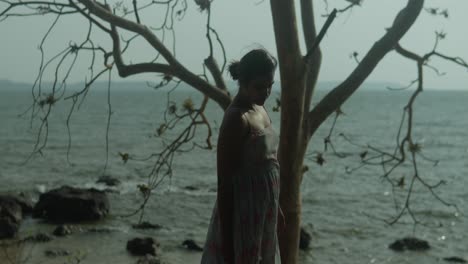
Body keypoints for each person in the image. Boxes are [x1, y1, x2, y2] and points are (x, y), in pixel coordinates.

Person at [201, 49, 282, 264]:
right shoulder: (237, 118)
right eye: (259, 86)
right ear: (243, 83)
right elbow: (224, 185)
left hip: (264, 210)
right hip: (243, 215)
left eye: (270, 85)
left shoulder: (260, 109)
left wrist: (276, 205)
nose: (266, 92)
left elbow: (270, 160)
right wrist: (228, 247)